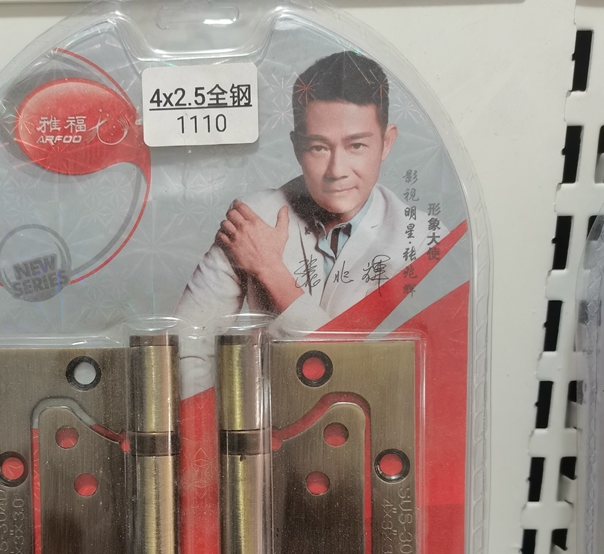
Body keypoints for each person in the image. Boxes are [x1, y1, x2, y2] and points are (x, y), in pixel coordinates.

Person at [175, 51, 437, 397]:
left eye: (357, 145)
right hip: (260, 425)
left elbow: (369, 371)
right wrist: (211, 422)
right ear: (296, 146)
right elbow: (187, 345)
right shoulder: (254, 218)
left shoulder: (423, 241)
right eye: (318, 148)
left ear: (386, 143)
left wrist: (271, 271)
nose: (337, 170)